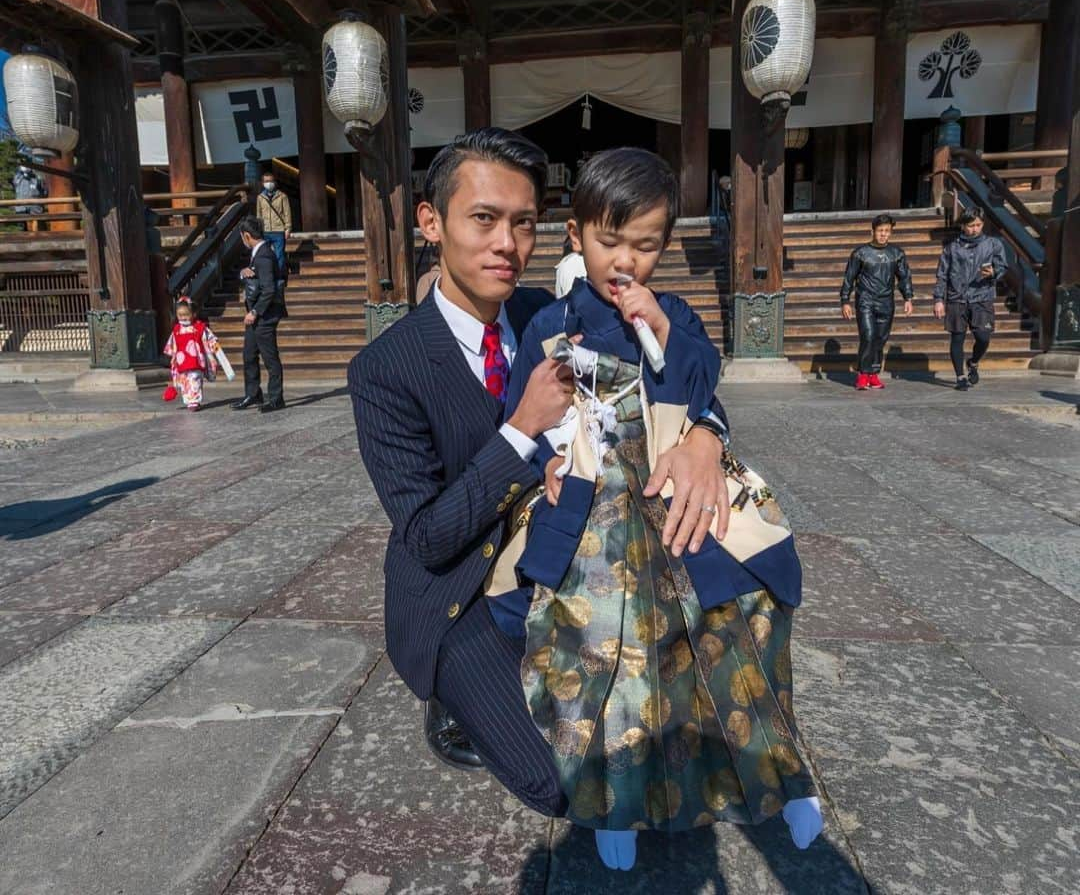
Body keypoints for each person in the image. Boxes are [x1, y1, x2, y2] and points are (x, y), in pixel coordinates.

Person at [348, 129, 730, 827]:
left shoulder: (549, 315)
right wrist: (520, 429)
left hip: (577, 553)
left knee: (679, 712)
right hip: (461, 592)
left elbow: (672, 371)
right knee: (565, 784)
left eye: (523, 224)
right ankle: (452, 694)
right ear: (431, 223)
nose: (506, 244)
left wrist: (707, 435)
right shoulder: (385, 370)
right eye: (484, 219)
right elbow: (427, 537)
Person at [495, 148, 820, 870]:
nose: (626, 262)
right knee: (602, 647)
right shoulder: (550, 324)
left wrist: (666, 332)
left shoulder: (674, 313)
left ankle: (783, 778)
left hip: (675, 492)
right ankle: (613, 803)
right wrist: (545, 460)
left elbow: (707, 385)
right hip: (592, 505)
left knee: (734, 624)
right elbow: (520, 421)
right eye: (610, 241)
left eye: (646, 246)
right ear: (574, 234)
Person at [932, 207, 1007, 391]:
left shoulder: (993, 244)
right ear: (963, 225)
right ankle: (960, 377)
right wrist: (939, 299)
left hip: (982, 297)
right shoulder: (951, 247)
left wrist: (994, 273)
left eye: (978, 225)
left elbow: (1003, 266)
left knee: (983, 337)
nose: (975, 229)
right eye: (971, 225)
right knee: (957, 338)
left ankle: (973, 362)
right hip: (957, 297)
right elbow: (942, 274)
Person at [839, 213, 914, 390]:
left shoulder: (896, 253)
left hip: (886, 301)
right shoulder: (860, 253)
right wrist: (845, 300)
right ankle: (863, 374)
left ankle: (873, 373)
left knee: (880, 338)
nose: (883, 234)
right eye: (880, 230)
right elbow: (849, 277)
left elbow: (904, 277)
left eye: (887, 231)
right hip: (866, 300)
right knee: (868, 336)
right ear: (872, 231)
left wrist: (908, 298)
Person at [234, 216, 286, 412]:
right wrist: (244, 273)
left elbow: (269, 289)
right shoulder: (260, 253)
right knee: (249, 354)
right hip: (256, 316)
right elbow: (256, 278)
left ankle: (276, 398)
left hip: (264, 315)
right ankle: (253, 393)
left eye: (242, 238)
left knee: (269, 356)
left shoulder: (264, 255)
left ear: (247, 236)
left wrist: (254, 312)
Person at [162, 296, 229, 411]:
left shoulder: (199, 327)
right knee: (184, 382)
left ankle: (194, 401)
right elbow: (174, 345)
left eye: (186, 315)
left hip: (196, 360)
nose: (183, 318)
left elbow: (210, 339)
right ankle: (188, 401)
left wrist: (215, 349)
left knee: (194, 380)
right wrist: (173, 356)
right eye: (180, 315)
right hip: (181, 360)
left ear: (193, 314)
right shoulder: (176, 329)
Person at [255, 169, 292, 282]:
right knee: (265, 256)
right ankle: (267, 278)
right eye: (266, 181)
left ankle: (279, 278)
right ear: (262, 183)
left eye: (270, 181)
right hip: (265, 230)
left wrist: (288, 228)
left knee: (279, 255)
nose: (269, 183)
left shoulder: (282, 196)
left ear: (274, 182)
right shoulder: (260, 198)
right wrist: (259, 230)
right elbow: (259, 214)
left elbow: (287, 213)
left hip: (278, 230)